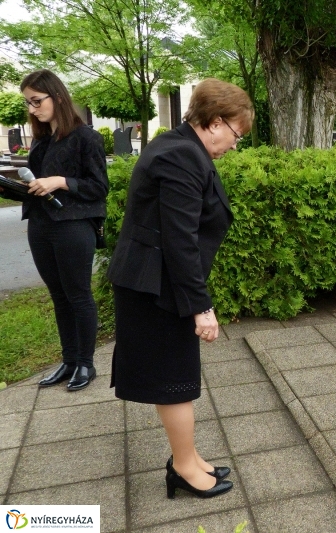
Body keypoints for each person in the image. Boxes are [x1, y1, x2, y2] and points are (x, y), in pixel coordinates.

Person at [107, 78, 252, 500]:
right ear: (215, 121)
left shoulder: (180, 145)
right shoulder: (181, 155)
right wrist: (201, 308)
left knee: (177, 378)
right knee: (175, 381)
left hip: (157, 280)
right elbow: (179, 240)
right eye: (236, 134)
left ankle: (187, 457)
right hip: (155, 287)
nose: (235, 145)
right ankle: (184, 468)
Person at [0, 70, 109, 392]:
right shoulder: (42, 140)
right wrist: (16, 188)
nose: (32, 109)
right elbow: (38, 185)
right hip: (40, 225)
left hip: (73, 226)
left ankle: (86, 364)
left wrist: (60, 181)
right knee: (59, 296)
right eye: (28, 103)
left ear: (57, 97)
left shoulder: (86, 138)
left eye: (37, 101)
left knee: (78, 295)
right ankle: (69, 360)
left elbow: (99, 187)